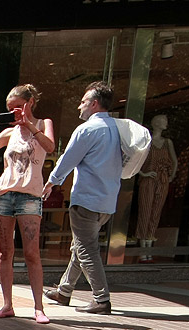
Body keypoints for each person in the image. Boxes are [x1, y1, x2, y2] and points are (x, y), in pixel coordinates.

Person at [0, 84, 55, 324]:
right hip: (3, 195)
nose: (14, 113)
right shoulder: (9, 134)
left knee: (32, 253)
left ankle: (39, 308)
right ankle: (7, 305)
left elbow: (50, 147)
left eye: (18, 107)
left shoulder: (42, 124)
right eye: (9, 109)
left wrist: (27, 123)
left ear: (30, 103)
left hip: (30, 196)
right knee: (5, 252)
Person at [42, 81, 122, 315]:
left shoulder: (87, 129)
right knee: (80, 246)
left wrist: (51, 182)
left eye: (83, 101)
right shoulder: (118, 129)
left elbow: (68, 159)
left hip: (87, 199)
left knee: (86, 249)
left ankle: (101, 299)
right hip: (107, 201)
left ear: (94, 104)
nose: (80, 106)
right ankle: (64, 291)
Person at [134, 114, 177, 260]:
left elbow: (174, 161)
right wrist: (143, 174)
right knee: (145, 211)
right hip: (149, 180)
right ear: (157, 123)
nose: (166, 124)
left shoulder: (167, 142)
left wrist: (170, 176)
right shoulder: (147, 142)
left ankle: (149, 247)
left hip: (162, 180)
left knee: (156, 211)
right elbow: (134, 160)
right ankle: (142, 249)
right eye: (164, 121)